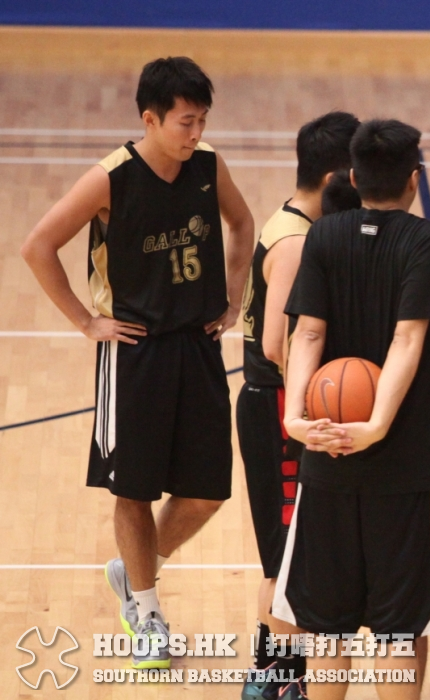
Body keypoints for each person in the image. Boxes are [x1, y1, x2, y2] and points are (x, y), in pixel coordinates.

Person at [20, 57, 254, 670]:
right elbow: (37, 245)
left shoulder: (208, 166)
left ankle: (133, 570)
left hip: (197, 344)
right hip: (134, 351)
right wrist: (85, 321)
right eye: (184, 122)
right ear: (150, 119)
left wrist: (234, 298)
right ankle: (146, 611)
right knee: (134, 489)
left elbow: (242, 222)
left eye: (202, 120)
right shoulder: (110, 179)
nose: (196, 133)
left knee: (206, 492)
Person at [276, 119, 430, 700]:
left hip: (327, 450)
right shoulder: (427, 241)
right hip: (400, 463)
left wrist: (296, 418)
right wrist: (376, 426)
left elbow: (307, 333)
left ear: (352, 177)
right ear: (414, 179)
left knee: (327, 625)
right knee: (399, 629)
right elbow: (407, 338)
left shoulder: (324, 235)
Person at [236, 110, 359, 699]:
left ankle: (275, 673)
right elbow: (276, 344)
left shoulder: (296, 223)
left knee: (289, 555)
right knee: (285, 560)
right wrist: (320, 398)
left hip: (275, 406)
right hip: (276, 407)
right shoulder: (295, 241)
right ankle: (275, 677)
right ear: (336, 176)